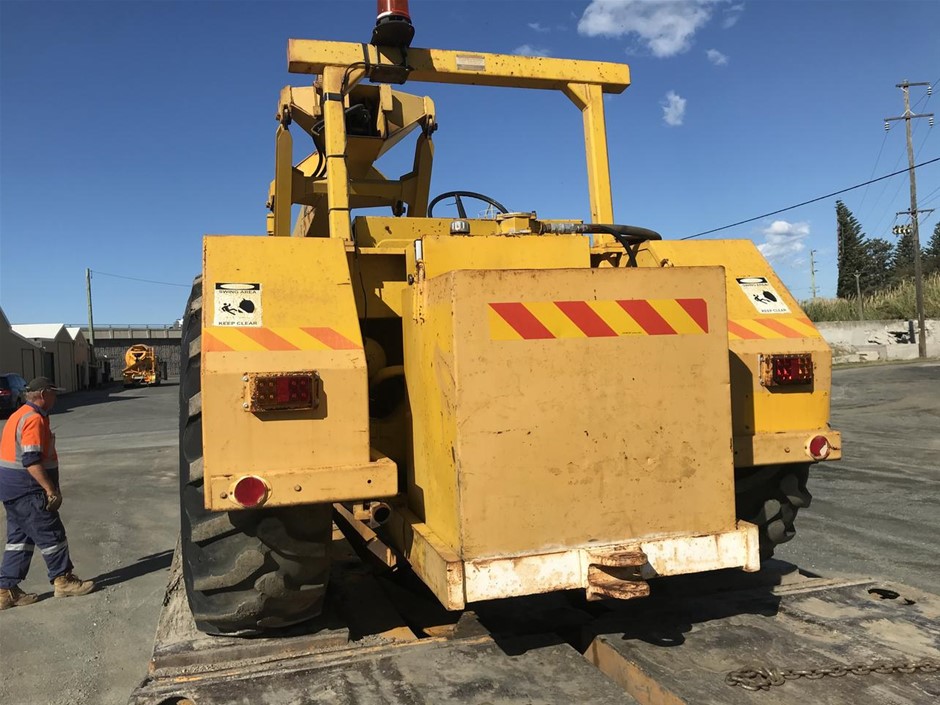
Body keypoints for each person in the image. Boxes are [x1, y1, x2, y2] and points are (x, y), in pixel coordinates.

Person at [0, 377, 94, 609]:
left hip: (11, 490)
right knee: (52, 534)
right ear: (42, 394)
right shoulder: (33, 419)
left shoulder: (19, 415)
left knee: (19, 541)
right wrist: (50, 489)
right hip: (27, 490)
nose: (56, 397)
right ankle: (63, 580)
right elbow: (31, 460)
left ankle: (6, 591)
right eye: (53, 392)